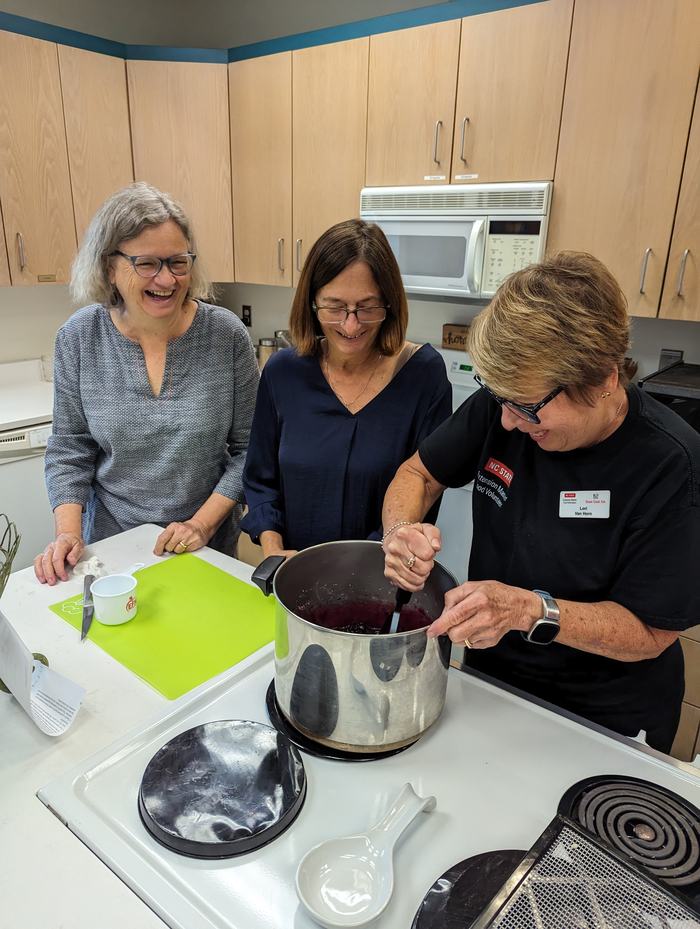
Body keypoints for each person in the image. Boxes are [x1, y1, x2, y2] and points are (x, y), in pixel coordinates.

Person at [382, 251, 700, 753]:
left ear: (603, 380)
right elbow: (417, 474)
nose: (507, 423)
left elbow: (651, 631)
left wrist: (528, 610)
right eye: (501, 401)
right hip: (493, 678)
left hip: (603, 717)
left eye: (527, 410)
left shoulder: (672, 465)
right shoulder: (507, 402)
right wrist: (399, 531)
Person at [35, 182, 259, 585]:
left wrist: (201, 526)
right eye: (147, 263)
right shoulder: (80, 338)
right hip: (111, 548)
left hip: (205, 546)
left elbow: (250, 452)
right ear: (109, 267)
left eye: (178, 262)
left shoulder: (226, 336)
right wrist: (67, 532)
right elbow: (69, 449)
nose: (167, 279)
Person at [241, 219, 452, 556]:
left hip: (380, 575)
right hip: (292, 573)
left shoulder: (423, 376)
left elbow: (423, 491)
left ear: (390, 304)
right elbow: (259, 479)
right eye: (335, 307)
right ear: (312, 302)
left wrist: (355, 569)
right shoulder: (283, 373)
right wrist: (272, 547)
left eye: (367, 307)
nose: (350, 324)